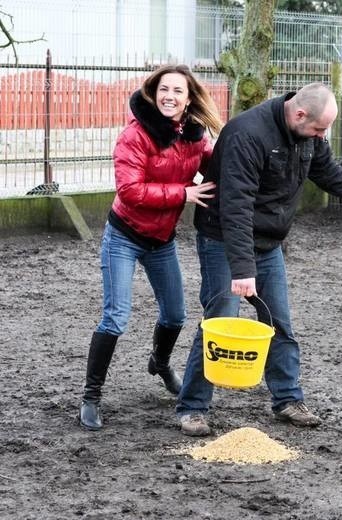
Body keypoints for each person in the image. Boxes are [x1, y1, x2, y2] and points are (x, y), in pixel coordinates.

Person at [176, 82, 342, 436]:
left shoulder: (307, 137)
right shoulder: (247, 134)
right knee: (221, 320)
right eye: (318, 128)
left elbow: (330, 174)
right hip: (225, 240)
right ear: (299, 114)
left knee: (279, 321)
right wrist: (242, 269)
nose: (322, 135)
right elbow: (235, 208)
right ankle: (192, 407)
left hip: (267, 243)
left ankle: (287, 399)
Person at [79, 65, 224, 431]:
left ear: (189, 98)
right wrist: (184, 193)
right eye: (164, 89)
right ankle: (91, 396)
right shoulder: (134, 135)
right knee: (116, 316)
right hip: (124, 236)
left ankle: (159, 363)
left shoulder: (194, 136)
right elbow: (130, 191)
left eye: (177, 91)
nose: (169, 96)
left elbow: (215, 165)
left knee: (175, 314)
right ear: (153, 92)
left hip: (162, 241)